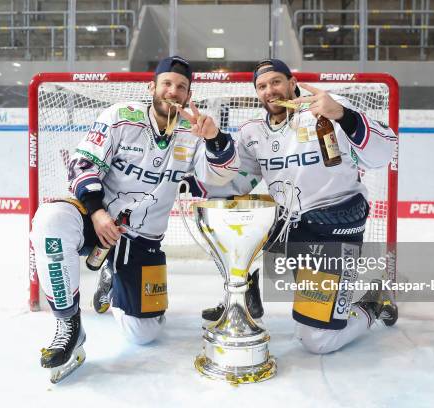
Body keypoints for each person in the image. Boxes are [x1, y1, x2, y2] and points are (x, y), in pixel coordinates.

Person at [30, 56, 239, 382]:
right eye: (167, 83)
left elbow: (220, 178)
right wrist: (97, 212)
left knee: (143, 334)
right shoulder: (120, 117)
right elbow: (81, 165)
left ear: (188, 95)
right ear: (152, 87)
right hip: (97, 220)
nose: (173, 90)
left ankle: (113, 281)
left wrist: (214, 138)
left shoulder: (194, 131)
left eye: (181, 87)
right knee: (50, 221)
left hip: (142, 239)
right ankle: (69, 325)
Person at [186, 58, 398, 355]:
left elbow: (384, 152)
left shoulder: (326, 109)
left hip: (331, 229)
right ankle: (245, 292)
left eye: (276, 82)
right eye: (262, 86)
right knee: (228, 223)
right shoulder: (252, 132)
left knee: (316, 339)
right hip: (289, 227)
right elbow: (235, 183)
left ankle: (375, 302)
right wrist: (209, 148)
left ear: (292, 83)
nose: (269, 90)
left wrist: (342, 115)